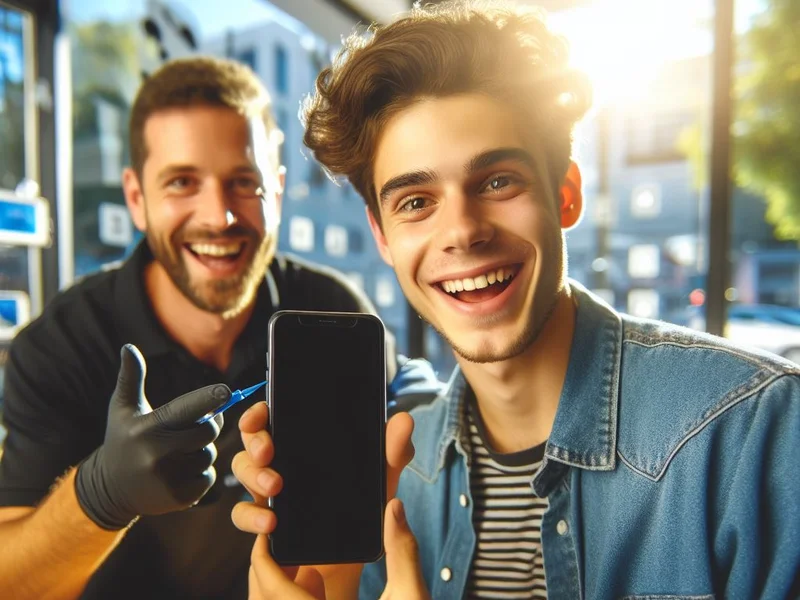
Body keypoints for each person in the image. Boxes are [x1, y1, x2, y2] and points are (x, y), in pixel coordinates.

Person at [232, 2, 800, 599]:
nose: (462, 231)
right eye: (416, 202)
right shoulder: (395, 475)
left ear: (566, 195)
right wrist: (336, 586)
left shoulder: (756, 436)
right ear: (383, 238)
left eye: (497, 182)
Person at [0, 56, 399, 600]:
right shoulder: (61, 346)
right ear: (136, 199)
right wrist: (99, 497)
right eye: (182, 182)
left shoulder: (332, 314)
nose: (219, 216)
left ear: (277, 195)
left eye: (243, 183)